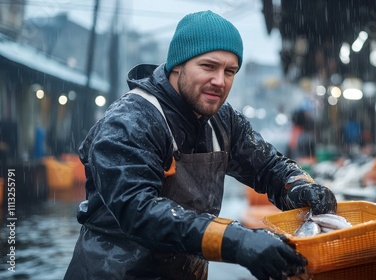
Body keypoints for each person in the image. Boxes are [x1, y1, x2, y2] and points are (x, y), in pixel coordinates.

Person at [64, 10, 337, 280]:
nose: (220, 81)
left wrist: (298, 186)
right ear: (178, 65)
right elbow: (138, 210)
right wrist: (235, 239)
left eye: (230, 71)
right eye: (209, 66)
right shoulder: (130, 121)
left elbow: (267, 167)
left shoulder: (223, 120)